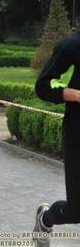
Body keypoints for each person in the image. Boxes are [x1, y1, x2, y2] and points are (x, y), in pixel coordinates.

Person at [33, 30, 80, 246]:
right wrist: (77, 94)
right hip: (77, 135)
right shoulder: (70, 46)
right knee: (76, 212)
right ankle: (45, 219)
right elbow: (43, 86)